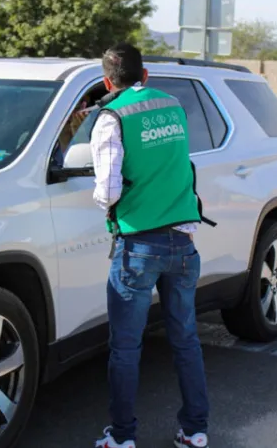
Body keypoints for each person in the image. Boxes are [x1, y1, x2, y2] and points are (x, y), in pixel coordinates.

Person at [90, 42, 216, 448]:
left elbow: (108, 191)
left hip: (138, 248)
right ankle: (195, 431)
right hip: (183, 244)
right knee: (186, 340)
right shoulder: (174, 106)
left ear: (109, 81)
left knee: (126, 348)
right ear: (146, 76)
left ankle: (122, 437)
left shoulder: (111, 117)